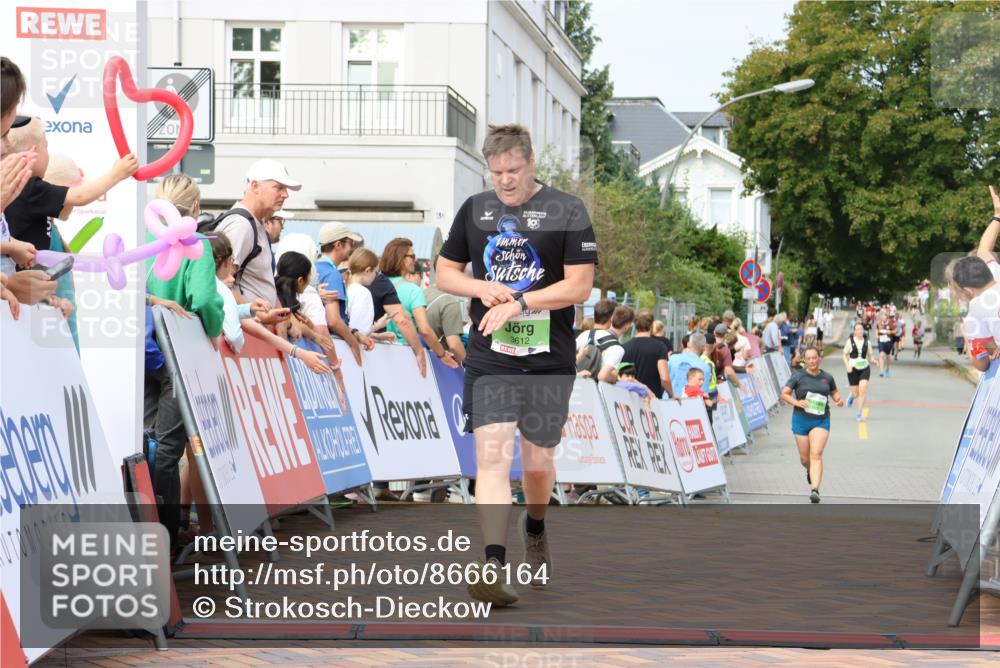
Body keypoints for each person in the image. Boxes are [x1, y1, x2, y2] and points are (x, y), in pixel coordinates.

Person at [436, 123, 596, 606]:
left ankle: (536, 525)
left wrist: (521, 303)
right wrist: (481, 287)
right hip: (491, 358)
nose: (505, 180)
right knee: (491, 457)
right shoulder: (475, 210)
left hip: (549, 359)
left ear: (531, 163)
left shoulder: (567, 210)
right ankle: (492, 565)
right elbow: (445, 272)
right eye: (497, 172)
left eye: (514, 170)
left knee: (538, 465)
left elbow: (579, 286)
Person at [4, 116, 137, 252]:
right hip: (26, 263)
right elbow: (80, 197)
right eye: (46, 147)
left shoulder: (14, 185)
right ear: (32, 153)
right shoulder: (30, 188)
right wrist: (117, 174)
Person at [380, 237, 459, 368]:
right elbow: (425, 330)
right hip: (407, 356)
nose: (415, 260)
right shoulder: (413, 290)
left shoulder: (377, 284)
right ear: (400, 258)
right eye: (412, 256)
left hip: (377, 351)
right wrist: (442, 355)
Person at [781, 347, 845, 504]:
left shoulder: (827, 377)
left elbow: (834, 392)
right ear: (805, 360)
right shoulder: (798, 376)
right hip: (801, 420)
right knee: (805, 459)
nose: (812, 361)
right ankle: (810, 470)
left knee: (816, 453)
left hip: (821, 420)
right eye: (808, 358)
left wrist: (838, 399)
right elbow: (784, 394)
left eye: (814, 358)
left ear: (819, 359)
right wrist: (797, 402)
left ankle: (814, 490)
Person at [949, 185, 1000, 371]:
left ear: (968, 289)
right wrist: (997, 215)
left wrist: (968, 335)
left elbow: (982, 362)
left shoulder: (976, 309)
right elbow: (984, 249)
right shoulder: (996, 273)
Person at [622, 308, 672, 399]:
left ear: (635, 324)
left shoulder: (625, 347)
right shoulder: (659, 347)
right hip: (652, 399)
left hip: (629, 399)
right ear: (652, 324)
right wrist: (671, 394)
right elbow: (664, 378)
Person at [574, 299, 627, 382]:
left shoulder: (582, 336)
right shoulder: (616, 347)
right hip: (598, 388)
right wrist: (615, 378)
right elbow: (603, 376)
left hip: (575, 385)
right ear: (612, 318)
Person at [423, 270, 469, 365]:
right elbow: (454, 345)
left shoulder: (426, 291)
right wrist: (468, 366)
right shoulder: (450, 303)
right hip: (438, 359)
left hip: (418, 353)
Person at [842, 322, 879, 423]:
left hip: (864, 368)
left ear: (863, 330)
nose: (859, 331)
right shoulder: (850, 342)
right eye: (857, 329)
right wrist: (847, 365)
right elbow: (844, 355)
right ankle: (852, 396)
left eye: (861, 329)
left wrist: (874, 361)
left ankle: (859, 413)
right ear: (854, 331)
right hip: (853, 369)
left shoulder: (867, 342)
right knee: (856, 393)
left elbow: (870, 355)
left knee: (863, 390)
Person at [668, 332, 711, 398]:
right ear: (704, 348)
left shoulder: (672, 359)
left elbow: (664, 379)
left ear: (688, 344)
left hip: (669, 401)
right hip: (691, 403)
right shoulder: (705, 367)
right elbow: (703, 394)